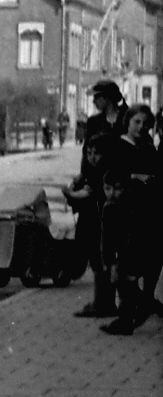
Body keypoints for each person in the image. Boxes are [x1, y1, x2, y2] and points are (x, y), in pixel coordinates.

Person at [67, 81, 127, 320]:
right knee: (96, 244)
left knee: (117, 246)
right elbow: (87, 153)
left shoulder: (127, 118)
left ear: (108, 98)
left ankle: (119, 302)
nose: (93, 101)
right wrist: (82, 177)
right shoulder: (94, 122)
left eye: (97, 97)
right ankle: (102, 301)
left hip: (119, 188)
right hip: (97, 185)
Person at [100, 101, 158, 335]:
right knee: (123, 266)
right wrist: (133, 176)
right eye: (137, 122)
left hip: (144, 212)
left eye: (145, 123)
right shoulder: (118, 145)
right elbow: (110, 175)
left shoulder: (148, 148)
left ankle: (127, 318)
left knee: (131, 267)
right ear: (128, 122)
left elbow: (155, 177)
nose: (141, 127)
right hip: (122, 210)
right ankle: (138, 310)